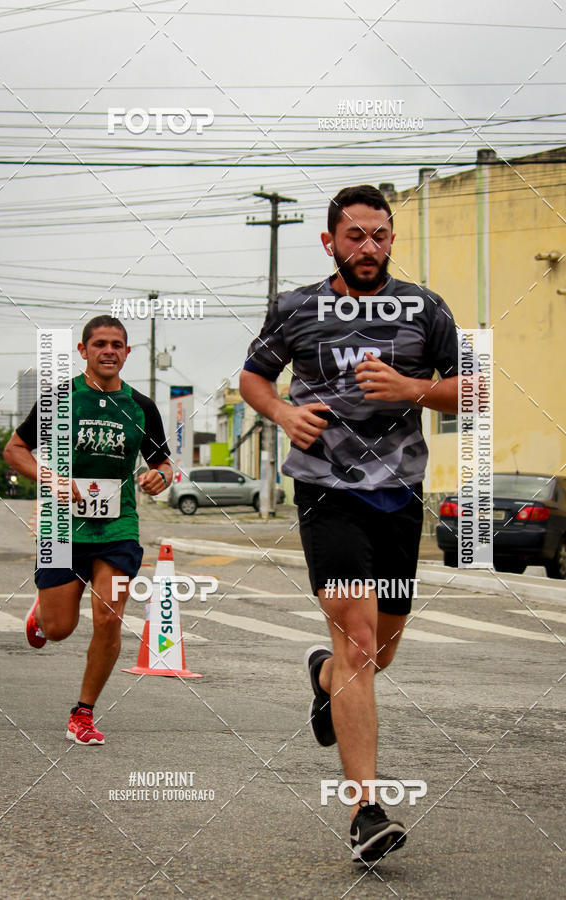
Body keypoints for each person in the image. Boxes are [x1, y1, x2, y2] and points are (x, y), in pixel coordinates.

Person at [240, 185, 459, 863]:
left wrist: (413, 389)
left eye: (380, 235)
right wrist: (281, 414)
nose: (368, 246)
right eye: (355, 235)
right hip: (324, 490)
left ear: (392, 240)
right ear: (330, 240)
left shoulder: (426, 309)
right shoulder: (297, 307)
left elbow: (475, 392)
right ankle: (367, 810)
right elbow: (253, 377)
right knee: (360, 640)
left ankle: (325, 679)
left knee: (379, 651)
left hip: (398, 496)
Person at [3, 315, 172, 746]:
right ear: (83, 351)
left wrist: (162, 476)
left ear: (127, 353)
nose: (109, 351)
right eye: (100, 344)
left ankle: (83, 713)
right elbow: (15, 450)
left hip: (118, 525)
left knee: (109, 617)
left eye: (117, 344)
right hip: (62, 526)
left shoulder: (141, 407)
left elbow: (163, 463)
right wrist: (52, 479)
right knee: (59, 629)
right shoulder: (60, 399)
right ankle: (40, 616)